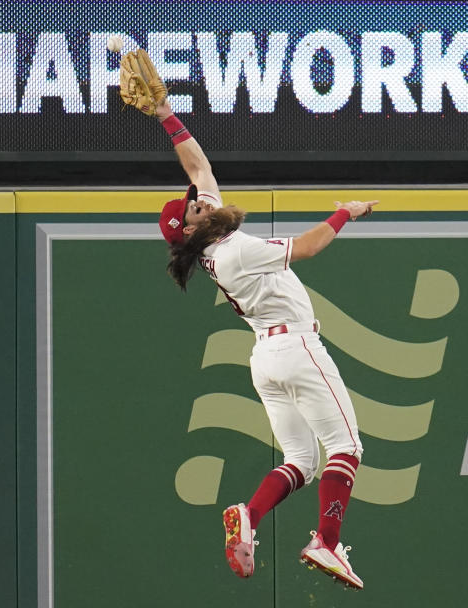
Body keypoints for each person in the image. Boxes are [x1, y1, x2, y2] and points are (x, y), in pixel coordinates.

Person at [122, 50, 376, 590]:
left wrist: (165, 112)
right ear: (192, 229)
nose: (199, 199)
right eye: (192, 206)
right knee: (347, 448)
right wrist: (344, 213)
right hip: (298, 349)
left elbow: (198, 167)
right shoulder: (234, 247)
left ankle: (249, 518)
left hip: (265, 358)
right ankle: (326, 545)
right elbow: (308, 248)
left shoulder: (210, 238)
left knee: (301, 460)